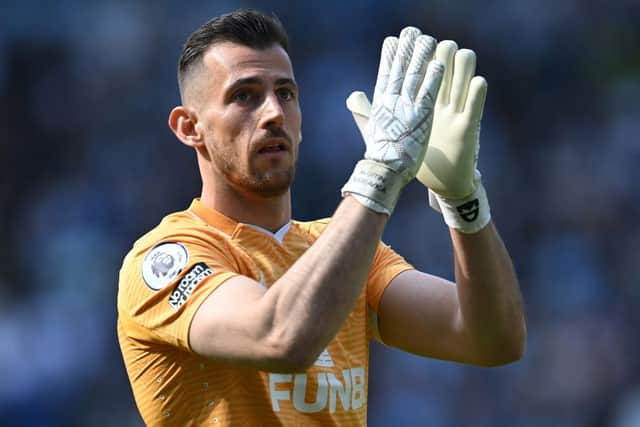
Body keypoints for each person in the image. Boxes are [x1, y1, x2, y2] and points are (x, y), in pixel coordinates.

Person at [117, 9, 526, 426]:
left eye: (286, 93)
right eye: (245, 96)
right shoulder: (167, 258)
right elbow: (279, 337)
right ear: (189, 127)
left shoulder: (342, 248)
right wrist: (379, 171)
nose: (274, 112)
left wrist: (464, 201)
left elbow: (493, 341)